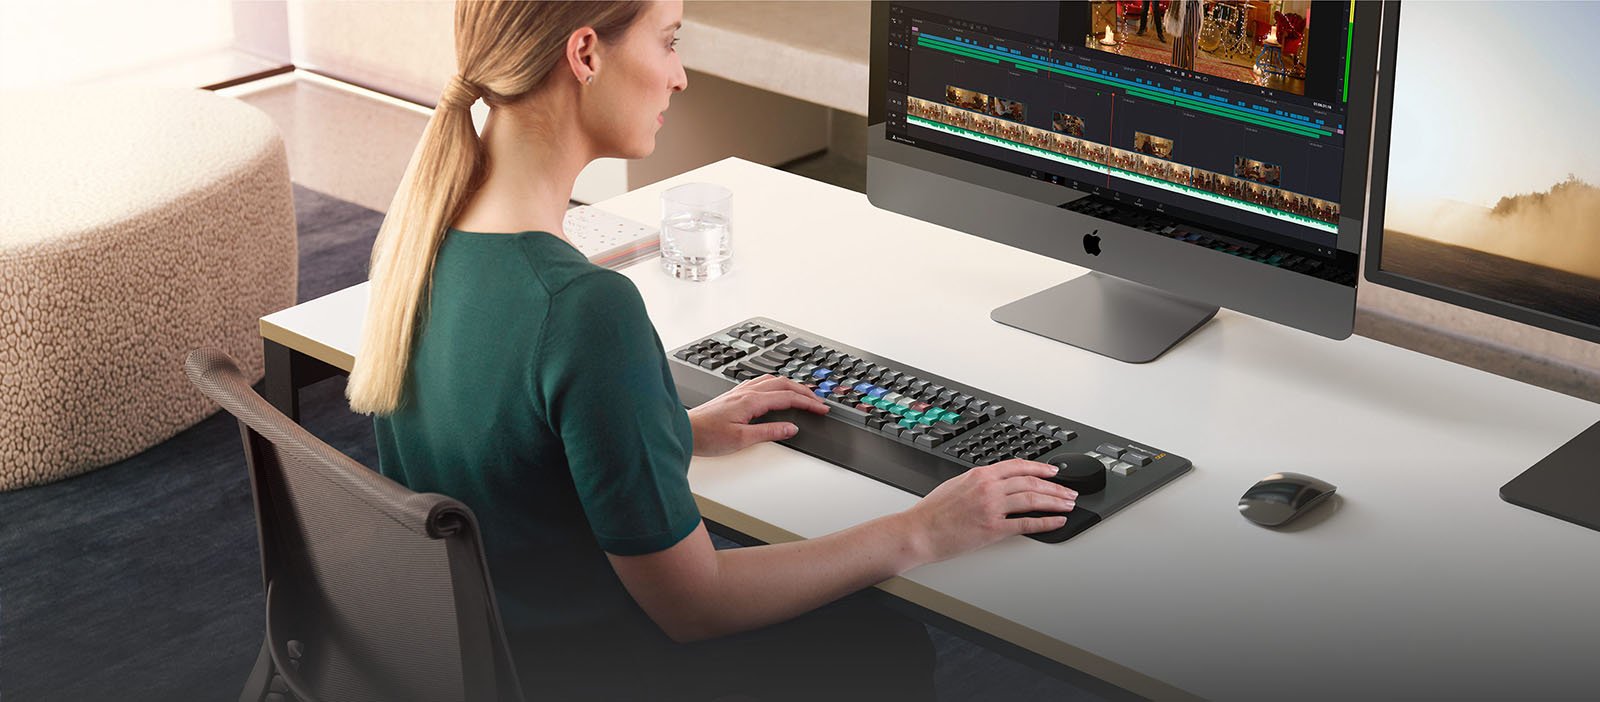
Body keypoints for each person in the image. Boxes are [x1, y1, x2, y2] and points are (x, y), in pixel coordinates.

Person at [345, 2, 1078, 700]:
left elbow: (498, 440)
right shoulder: (582, 308)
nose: (680, 75)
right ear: (586, 53)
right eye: (668, 40)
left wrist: (670, 428)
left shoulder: (425, 239)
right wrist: (922, 528)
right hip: (587, 669)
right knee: (882, 638)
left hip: (490, 647)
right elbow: (693, 604)